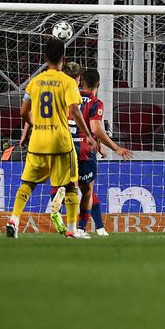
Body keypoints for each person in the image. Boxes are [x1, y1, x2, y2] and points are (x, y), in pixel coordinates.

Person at [6, 39, 97, 239]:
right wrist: (89, 137)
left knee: (28, 183)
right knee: (71, 186)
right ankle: (72, 229)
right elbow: (74, 110)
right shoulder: (67, 81)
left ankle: (13, 219)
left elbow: (23, 112)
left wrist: (35, 126)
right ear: (63, 60)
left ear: (45, 58)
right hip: (60, 142)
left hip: (38, 141)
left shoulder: (34, 82)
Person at [71, 68, 134, 238]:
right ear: (98, 84)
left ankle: (99, 228)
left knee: (76, 189)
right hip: (84, 150)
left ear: (81, 81)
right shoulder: (95, 102)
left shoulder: (70, 98)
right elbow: (96, 129)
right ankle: (82, 229)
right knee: (87, 191)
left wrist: (98, 144)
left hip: (66, 148)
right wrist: (116, 148)